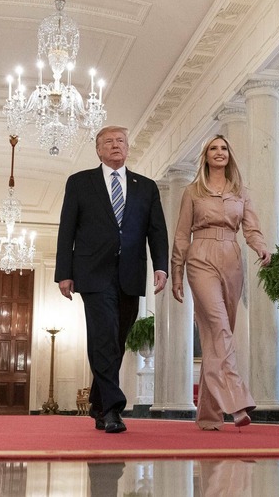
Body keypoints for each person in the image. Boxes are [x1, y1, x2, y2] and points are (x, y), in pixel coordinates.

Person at [55, 125, 169, 434]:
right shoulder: (80, 183)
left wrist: (161, 266)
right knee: (104, 334)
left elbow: (156, 230)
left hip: (131, 273)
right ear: (98, 150)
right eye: (108, 141)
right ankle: (113, 409)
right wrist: (63, 272)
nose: (115, 145)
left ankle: (97, 402)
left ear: (128, 148)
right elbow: (67, 228)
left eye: (120, 141)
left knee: (116, 341)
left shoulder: (146, 187)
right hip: (92, 273)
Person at [166, 135, 271, 431]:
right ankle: (237, 401)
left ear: (230, 154)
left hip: (232, 259)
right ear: (206, 156)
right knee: (219, 327)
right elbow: (181, 235)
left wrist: (261, 246)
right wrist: (177, 272)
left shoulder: (241, 192)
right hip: (200, 257)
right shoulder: (192, 192)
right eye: (213, 148)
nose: (219, 152)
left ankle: (209, 416)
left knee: (217, 335)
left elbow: (251, 228)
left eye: (224, 147)